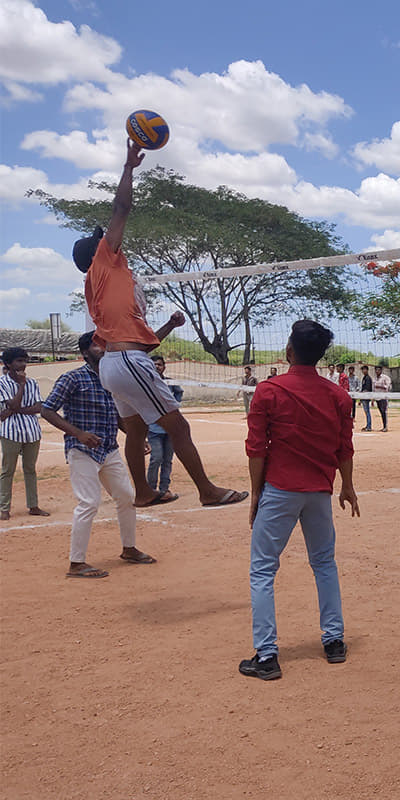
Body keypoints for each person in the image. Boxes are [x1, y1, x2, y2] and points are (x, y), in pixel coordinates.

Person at [72, 139, 247, 509]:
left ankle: (145, 492)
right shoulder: (105, 262)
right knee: (178, 428)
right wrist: (128, 168)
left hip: (114, 365)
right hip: (126, 364)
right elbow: (121, 208)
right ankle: (207, 491)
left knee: (135, 430)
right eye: (106, 240)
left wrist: (166, 326)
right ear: (99, 250)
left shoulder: (97, 286)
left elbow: (144, 344)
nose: (114, 239)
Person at [239, 320, 359, 681]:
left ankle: (267, 655)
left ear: (289, 351)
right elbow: (344, 447)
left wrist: (256, 493)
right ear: (321, 355)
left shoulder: (268, 390)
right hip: (319, 491)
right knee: (324, 563)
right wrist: (347, 486)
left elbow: (256, 447)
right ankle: (334, 642)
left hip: (280, 489)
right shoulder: (337, 395)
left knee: (262, 569)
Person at [40, 332, 156, 578]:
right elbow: (47, 410)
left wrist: (136, 438)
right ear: (84, 353)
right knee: (88, 503)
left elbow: (116, 414)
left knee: (126, 496)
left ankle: (129, 549)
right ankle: (76, 563)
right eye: (96, 344)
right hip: (82, 449)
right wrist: (79, 434)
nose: (102, 347)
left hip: (109, 449)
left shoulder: (110, 379)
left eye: (104, 343)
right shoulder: (73, 378)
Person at [1, 347, 49, 520]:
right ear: (8, 363)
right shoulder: (2, 383)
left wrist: (14, 410)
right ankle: (4, 507)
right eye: (18, 361)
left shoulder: (33, 383)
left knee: (30, 469)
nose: (23, 365)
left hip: (32, 432)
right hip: (10, 432)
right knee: (8, 470)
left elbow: (38, 407)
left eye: (24, 361)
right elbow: (13, 404)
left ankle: (33, 505)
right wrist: (21, 386)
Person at [146, 355, 183, 501]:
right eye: (154, 364)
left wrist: (174, 404)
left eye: (159, 364)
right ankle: (151, 489)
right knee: (156, 458)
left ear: (164, 367)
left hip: (170, 429)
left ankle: (164, 489)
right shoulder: (146, 383)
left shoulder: (170, 382)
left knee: (167, 459)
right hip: (154, 428)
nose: (157, 367)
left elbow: (179, 392)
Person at [372, 365, 391, 432]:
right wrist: (373, 399)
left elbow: (388, 387)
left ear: (381, 370)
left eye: (378, 370)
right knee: (381, 412)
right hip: (377, 398)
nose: (377, 371)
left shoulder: (385, 378)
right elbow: (373, 389)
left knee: (384, 412)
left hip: (383, 398)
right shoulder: (374, 379)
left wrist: (381, 386)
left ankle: (385, 426)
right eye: (376, 370)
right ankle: (383, 426)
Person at [358, 365, 374, 430]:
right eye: (362, 370)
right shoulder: (364, 378)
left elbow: (367, 389)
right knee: (366, 411)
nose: (363, 371)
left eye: (364, 369)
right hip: (363, 397)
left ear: (367, 370)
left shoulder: (368, 378)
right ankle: (368, 425)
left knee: (367, 412)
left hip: (366, 397)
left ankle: (369, 426)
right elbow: (362, 388)